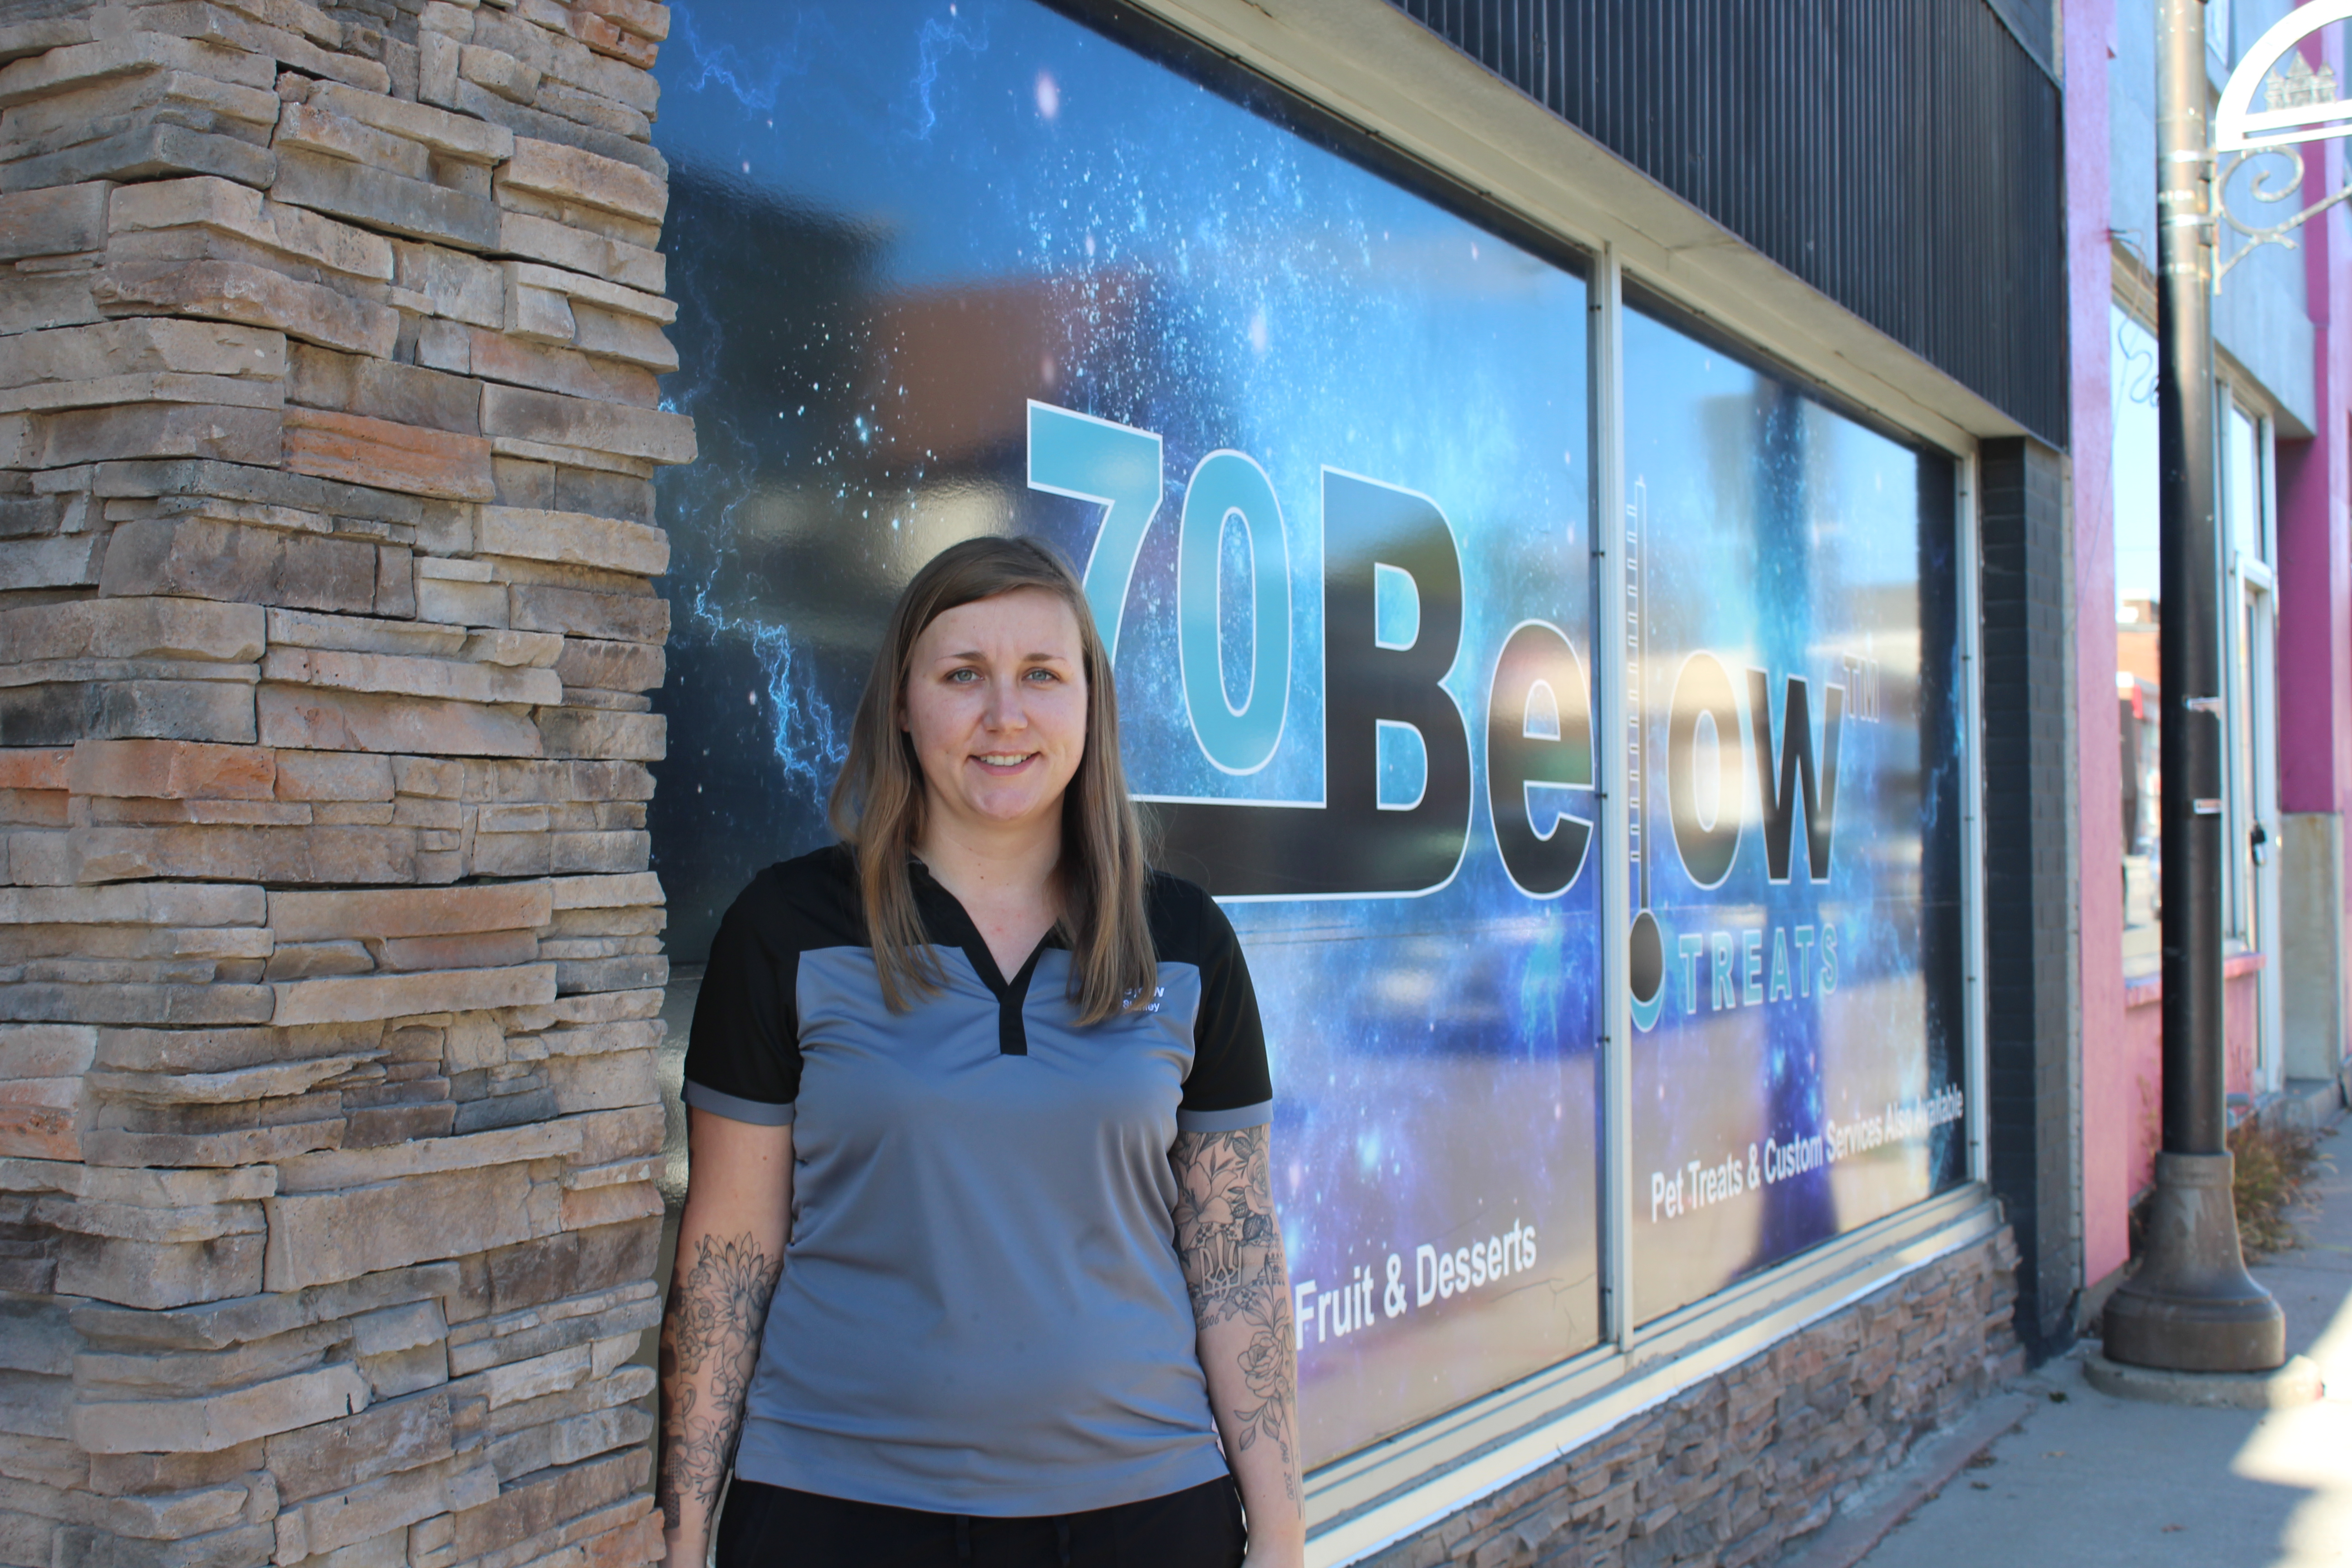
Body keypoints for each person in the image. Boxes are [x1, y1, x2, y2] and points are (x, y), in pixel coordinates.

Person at [657, 535, 1305, 1568]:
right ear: (904, 706)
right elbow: (729, 1253)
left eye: (1041, 675)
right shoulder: (787, 929)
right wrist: (684, 1541)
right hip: (835, 1510)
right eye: (964, 675)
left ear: (1089, 704)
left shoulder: (1182, 942)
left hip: (1144, 1513)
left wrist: (1278, 1530)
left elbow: (1234, 1257)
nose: (1005, 715)